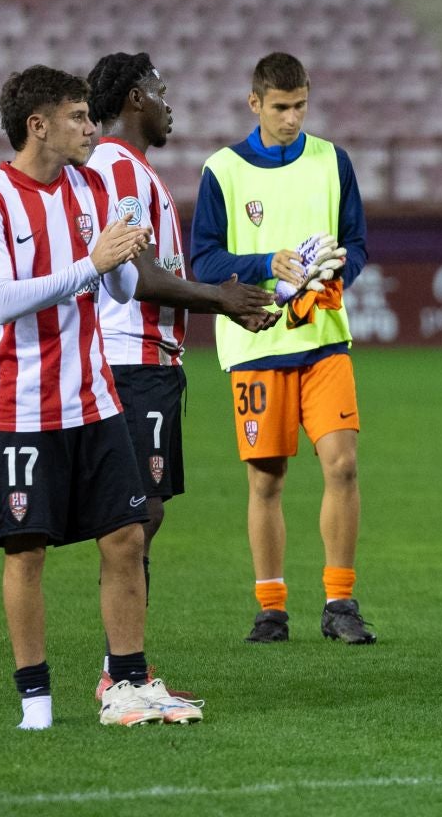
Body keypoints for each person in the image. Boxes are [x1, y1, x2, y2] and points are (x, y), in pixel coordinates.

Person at [0, 65, 202, 728]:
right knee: (26, 551)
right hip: (21, 404)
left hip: (95, 397)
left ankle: (126, 685)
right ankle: (35, 700)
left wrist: (123, 255)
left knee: (126, 536)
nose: (91, 126)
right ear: (38, 125)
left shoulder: (91, 189)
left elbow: (117, 292)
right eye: (76, 117)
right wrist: (90, 264)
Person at [83, 52, 279, 696]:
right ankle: (123, 674)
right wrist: (219, 297)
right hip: (131, 360)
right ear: (136, 98)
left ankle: (126, 668)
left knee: (144, 516)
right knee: (134, 520)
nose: (172, 104)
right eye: (162, 92)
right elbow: (135, 277)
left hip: (150, 363)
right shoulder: (119, 168)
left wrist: (221, 303)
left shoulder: (131, 170)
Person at [190, 52, 374, 646]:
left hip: (323, 339)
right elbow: (206, 260)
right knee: (267, 481)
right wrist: (267, 265)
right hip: (255, 344)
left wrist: (336, 275)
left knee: (342, 465)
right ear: (255, 103)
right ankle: (271, 608)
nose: (293, 118)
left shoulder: (332, 160)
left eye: (300, 106)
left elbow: (358, 243)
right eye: (280, 108)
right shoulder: (222, 171)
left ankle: (340, 602)